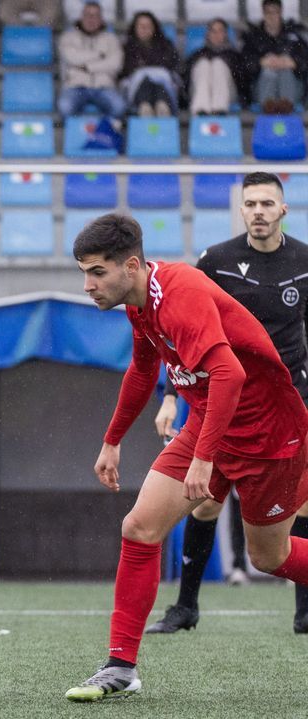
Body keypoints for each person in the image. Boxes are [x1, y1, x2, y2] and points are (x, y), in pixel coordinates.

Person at [65, 214, 308, 702]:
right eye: (84, 273)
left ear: (130, 266)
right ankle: (120, 666)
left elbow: (231, 374)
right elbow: (141, 370)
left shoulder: (179, 292)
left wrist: (204, 457)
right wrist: (112, 439)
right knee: (139, 527)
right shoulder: (138, 303)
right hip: (209, 420)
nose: (87, 285)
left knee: (269, 557)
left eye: (96, 272)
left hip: (268, 432)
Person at [146, 172, 308, 635]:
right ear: (241, 210)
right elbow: (181, 335)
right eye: (250, 203)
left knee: (303, 507)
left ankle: (305, 613)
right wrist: (171, 396)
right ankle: (186, 608)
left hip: (292, 405)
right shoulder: (214, 261)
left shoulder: (304, 260)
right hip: (224, 402)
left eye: (266, 203)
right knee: (203, 505)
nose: (258, 211)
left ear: (283, 210)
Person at [58, 1, 126, 117]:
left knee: (119, 107)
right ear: (81, 17)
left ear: (101, 18)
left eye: (95, 15)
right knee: (65, 106)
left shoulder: (111, 39)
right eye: (88, 15)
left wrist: (87, 67)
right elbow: (72, 58)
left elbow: (115, 64)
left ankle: (104, 132)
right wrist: (100, 55)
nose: (91, 19)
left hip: (104, 87)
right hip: (76, 87)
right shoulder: (68, 37)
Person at [241, 0, 308, 114]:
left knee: (285, 71)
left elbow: (305, 61)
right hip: (262, 88)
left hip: (292, 87)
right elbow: (243, 67)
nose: (272, 16)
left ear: (281, 13)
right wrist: (260, 63)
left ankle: (286, 105)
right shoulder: (253, 37)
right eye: (268, 12)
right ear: (263, 13)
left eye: (275, 12)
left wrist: (293, 63)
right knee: (268, 72)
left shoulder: (295, 35)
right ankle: (269, 106)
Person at [119, 11, 180, 116]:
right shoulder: (127, 47)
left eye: (148, 26)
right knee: (144, 81)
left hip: (162, 85)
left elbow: (172, 65)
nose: (144, 29)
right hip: (137, 87)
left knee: (159, 81)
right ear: (135, 28)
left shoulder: (166, 45)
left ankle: (161, 107)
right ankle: (145, 108)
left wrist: (145, 67)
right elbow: (126, 69)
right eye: (141, 25)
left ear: (154, 27)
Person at [183, 18, 245, 115]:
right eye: (213, 31)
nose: (217, 35)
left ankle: (219, 109)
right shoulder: (198, 54)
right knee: (203, 64)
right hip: (199, 91)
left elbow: (242, 81)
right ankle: (201, 110)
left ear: (225, 34)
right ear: (208, 34)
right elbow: (186, 77)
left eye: (220, 31)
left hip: (228, 94)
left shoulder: (234, 55)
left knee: (218, 64)